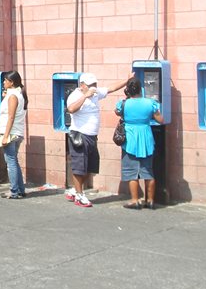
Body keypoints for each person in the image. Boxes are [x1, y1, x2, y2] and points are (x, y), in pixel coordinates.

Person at [64, 72, 128, 208]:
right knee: (79, 167)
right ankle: (80, 195)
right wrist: (85, 97)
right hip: (79, 135)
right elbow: (71, 109)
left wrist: (127, 80)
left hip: (92, 136)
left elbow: (111, 88)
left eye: (95, 84)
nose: (94, 87)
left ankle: (76, 190)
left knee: (91, 167)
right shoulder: (75, 95)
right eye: (90, 85)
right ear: (82, 85)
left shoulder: (96, 93)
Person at [115, 77, 164, 209]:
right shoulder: (150, 103)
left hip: (130, 138)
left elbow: (117, 113)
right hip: (146, 136)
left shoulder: (123, 103)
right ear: (141, 89)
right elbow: (161, 120)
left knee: (132, 172)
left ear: (128, 90)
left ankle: (135, 200)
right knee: (148, 171)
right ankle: (151, 200)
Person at [0, 71, 28, 199]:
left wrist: (6, 136)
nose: (3, 82)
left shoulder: (13, 96)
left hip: (11, 132)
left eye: (5, 80)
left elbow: (11, 116)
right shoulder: (16, 94)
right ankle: (20, 189)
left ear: (12, 82)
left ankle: (14, 191)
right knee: (13, 160)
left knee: (10, 162)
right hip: (16, 131)